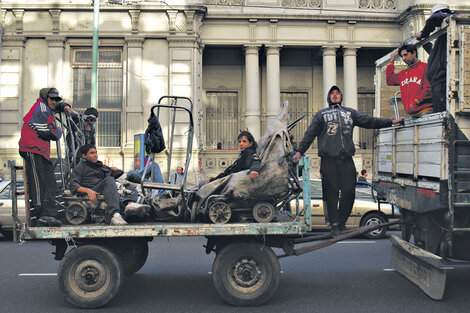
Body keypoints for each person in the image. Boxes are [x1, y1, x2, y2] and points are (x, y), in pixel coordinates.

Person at [293, 86, 404, 236]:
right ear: (328, 97)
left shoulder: (350, 113)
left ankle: (342, 221)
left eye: (337, 93)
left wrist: (391, 122)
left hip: (346, 160)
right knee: (330, 194)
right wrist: (300, 151)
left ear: (341, 96)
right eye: (332, 94)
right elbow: (310, 133)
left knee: (349, 192)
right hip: (328, 160)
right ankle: (334, 224)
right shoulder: (321, 114)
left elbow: (368, 121)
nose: (335, 95)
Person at [19, 87, 74, 227]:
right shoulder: (41, 107)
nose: (54, 101)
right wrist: (58, 131)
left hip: (41, 152)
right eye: (52, 98)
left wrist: (66, 107)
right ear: (45, 98)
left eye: (56, 99)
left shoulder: (48, 108)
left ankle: (49, 213)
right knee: (38, 183)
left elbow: (57, 107)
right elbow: (46, 132)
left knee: (50, 183)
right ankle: (39, 213)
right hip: (32, 149)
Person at [69, 144, 149, 225]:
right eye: (92, 153)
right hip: (93, 189)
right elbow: (73, 185)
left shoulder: (99, 166)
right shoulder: (80, 168)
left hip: (105, 187)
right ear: (84, 156)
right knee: (109, 180)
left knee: (127, 185)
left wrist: (115, 170)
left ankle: (130, 204)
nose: (95, 155)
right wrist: (88, 191)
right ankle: (114, 215)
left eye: (96, 152)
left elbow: (116, 173)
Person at [416, 4, 457, 113]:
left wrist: (423, 33)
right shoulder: (445, 36)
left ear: (439, 12)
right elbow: (436, 53)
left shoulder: (451, 21)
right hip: (437, 82)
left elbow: (434, 19)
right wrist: (425, 42)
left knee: (442, 112)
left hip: (441, 81)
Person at [386, 44, 433, 117]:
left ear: (414, 53)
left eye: (406, 55)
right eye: (402, 56)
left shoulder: (425, 68)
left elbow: (428, 88)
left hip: (425, 111)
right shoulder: (403, 73)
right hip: (412, 114)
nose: (404, 58)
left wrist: (416, 102)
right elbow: (390, 81)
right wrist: (391, 61)